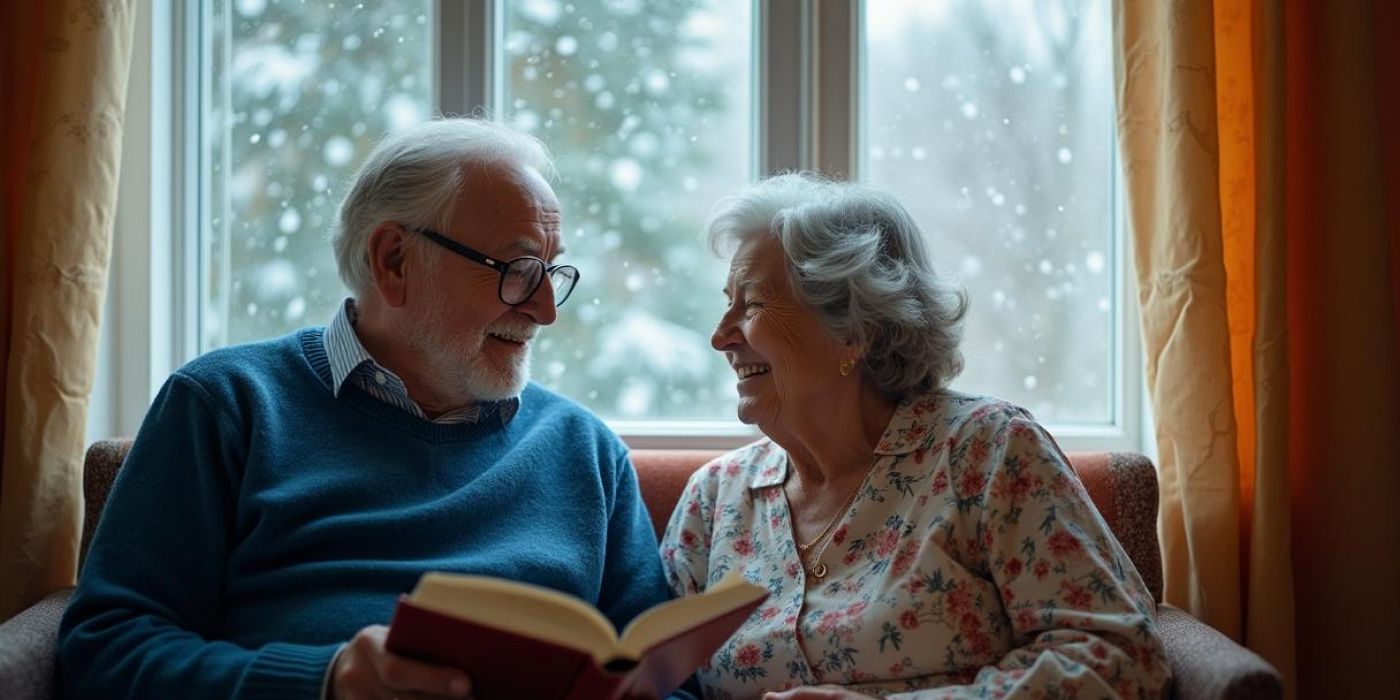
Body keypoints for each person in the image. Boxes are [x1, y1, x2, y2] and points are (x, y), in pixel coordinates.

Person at [58, 118, 674, 699]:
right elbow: (103, 652)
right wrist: (320, 682)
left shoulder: (585, 450)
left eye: (551, 271)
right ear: (394, 261)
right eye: (516, 269)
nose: (546, 309)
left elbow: (668, 679)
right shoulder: (228, 404)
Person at [659, 173, 1171, 698]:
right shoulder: (716, 498)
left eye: (752, 304)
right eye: (727, 303)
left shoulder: (987, 452)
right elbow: (660, 681)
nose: (720, 336)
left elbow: (1119, 658)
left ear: (855, 333)